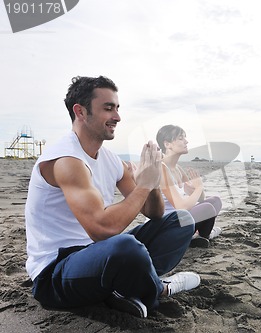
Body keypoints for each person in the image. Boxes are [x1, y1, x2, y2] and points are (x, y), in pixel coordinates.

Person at [24, 76, 200, 319]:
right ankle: (159, 289)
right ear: (81, 112)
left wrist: (153, 181)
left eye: (117, 108)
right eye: (108, 108)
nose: (117, 116)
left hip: (96, 255)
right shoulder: (66, 160)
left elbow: (154, 213)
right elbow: (102, 228)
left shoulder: (109, 159)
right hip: (55, 273)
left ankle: (124, 289)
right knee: (125, 247)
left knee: (180, 220)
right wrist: (143, 186)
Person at [156, 125, 222, 248]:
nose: (186, 141)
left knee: (215, 201)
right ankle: (203, 236)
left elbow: (201, 199)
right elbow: (181, 206)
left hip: (180, 220)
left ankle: (197, 237)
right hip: (166, 226)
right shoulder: (161, 169)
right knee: (207, 208)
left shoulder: (178, 169)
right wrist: (198, 188)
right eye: (181, 138)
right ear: (167, 144)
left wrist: (196, 189)